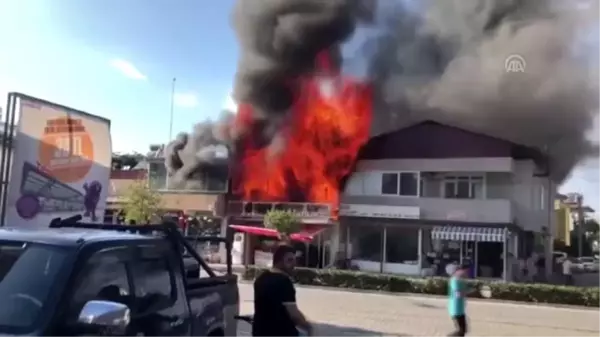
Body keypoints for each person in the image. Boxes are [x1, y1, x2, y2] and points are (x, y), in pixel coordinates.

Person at [253, 244, 312, 337]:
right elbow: (294, 316)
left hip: (259, 332)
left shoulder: (261, 278)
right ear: (278, 261)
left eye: (294, 260)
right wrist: (309, 327)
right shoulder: (284, 282)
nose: (294, 264)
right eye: (289, 260)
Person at [448, 264, 470, 337]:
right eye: (466, 271)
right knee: (461, 331)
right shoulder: (456, 281)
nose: (467, 273)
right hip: (456, 309)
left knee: (463, 330)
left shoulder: (459, 281)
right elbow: (458, 294)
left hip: (459, 309)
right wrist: (469, 292)